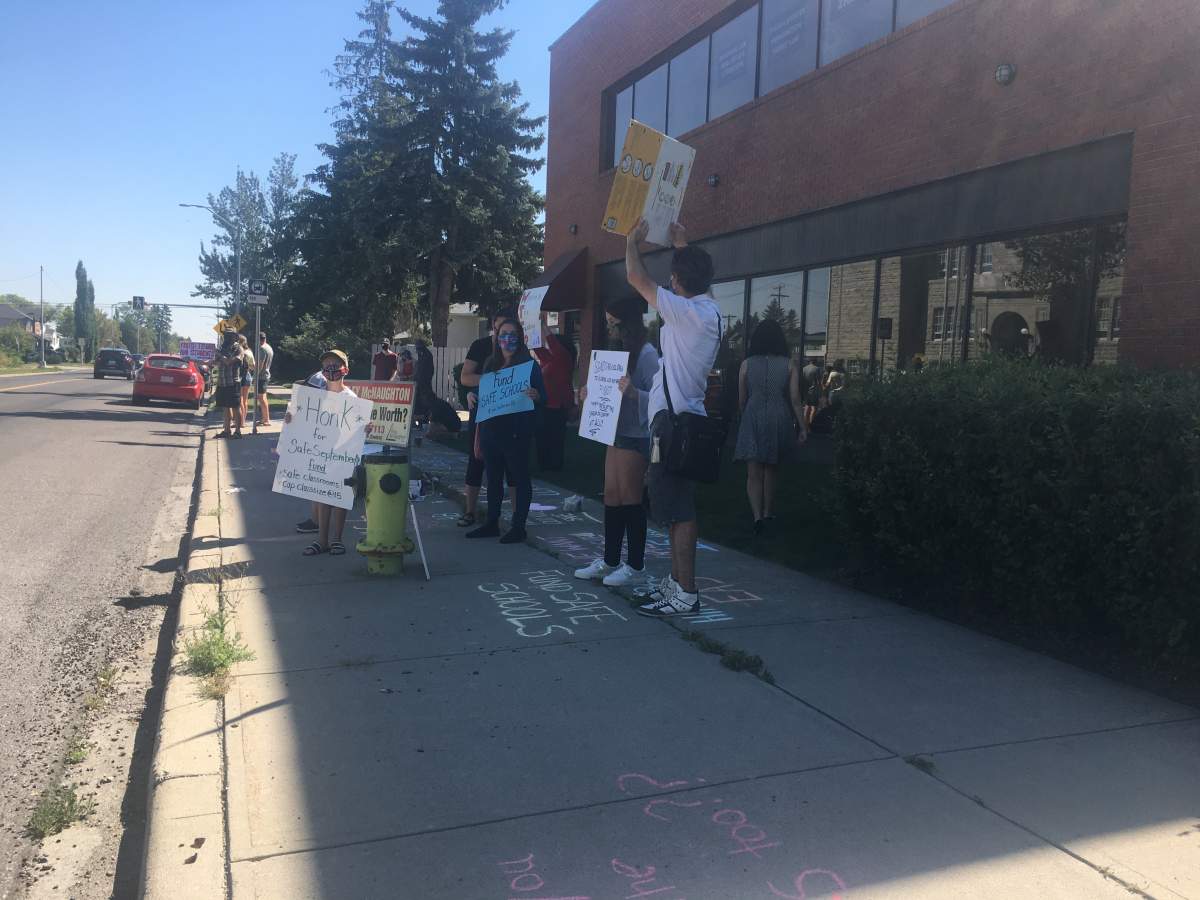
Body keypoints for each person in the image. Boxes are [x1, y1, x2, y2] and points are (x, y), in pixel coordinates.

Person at [623, 218, 720, 617]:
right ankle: (678, 584)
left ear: (679, 282)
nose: (671, 285)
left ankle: (686, 592)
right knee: (675, 509)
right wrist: (681, 244)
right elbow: (695, 279)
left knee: (679, 513)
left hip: (675, 426)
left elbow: (635, 277)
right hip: (681, 421)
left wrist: (632, 243)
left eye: (674, 279)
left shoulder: (687, 313)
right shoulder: (706, 308)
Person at [574, 294, 659, 587]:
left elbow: (659, 397)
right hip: (614, 431)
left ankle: (635, 564)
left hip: (635, 434)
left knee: (630, 498)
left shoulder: (647, 355)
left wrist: (635, 393)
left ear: (629, 325)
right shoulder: (616, 351)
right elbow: (604, 388)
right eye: (607, 323)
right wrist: (588, 394)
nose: (609, 329)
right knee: (611, 495)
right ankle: (610, 559)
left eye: (614, 323)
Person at [465, 319, 546, 543]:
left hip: (517, 431)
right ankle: (492, 522)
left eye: (512, 334)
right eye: (503, 334)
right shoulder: (491, 363)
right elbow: (483, 389)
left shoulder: (529, 366)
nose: (507, 339)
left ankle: (518, 526)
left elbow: (543, 396)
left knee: (519, 479)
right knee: (492, 478)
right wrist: (471, 394)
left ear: (519, 338)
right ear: (497, 337)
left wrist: (536, 396)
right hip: (492, 431)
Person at [735, 319, 807, 534]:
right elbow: (794, 398)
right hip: (778, 414)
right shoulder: (789, 364)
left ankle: (757, 517)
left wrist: (744, 414)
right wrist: (803, 427)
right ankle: (767, 512)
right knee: (771, 467)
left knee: (753, 470)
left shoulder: (746, 364)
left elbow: (741, 399)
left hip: (753, 413)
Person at [289, 350, 360, 557]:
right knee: (321, 495)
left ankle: (336, 539)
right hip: (319, 454)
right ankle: (322, 540)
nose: (330, 369)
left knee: (340, 497)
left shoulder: (350, 397)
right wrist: (290, 421)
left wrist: (365, 428)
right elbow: (301, 420)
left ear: (344, 370)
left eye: (334, 365)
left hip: (341, 455)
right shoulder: (315, 397)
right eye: (326, 365)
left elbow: (356, 425)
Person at [456, 309, 515, 527]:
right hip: (483, 409)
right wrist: (491, 381)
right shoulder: (481, 347)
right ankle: (470, 511)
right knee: (476, 457)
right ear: (493, 325)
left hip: (509, 411)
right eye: (500, 329)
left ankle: (510, 519)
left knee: (509, 463)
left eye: (509, 331)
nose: (504, 335)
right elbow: (465, 377)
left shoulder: (516, 349)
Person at [531, 329, 574, 470]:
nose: (549, 348)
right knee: (542, 435)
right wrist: (528, 327)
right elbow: (535, 346)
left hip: (557, 406)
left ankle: (555, 465)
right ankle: (544, 463)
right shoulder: (548, 359)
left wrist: (542, 325)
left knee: (555, 436)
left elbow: (555, 346)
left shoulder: (564, 358)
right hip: (544, 403)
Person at [214, 331, 245, 438]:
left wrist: (219, 355)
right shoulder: (221, 349)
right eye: (225, 335)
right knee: (225, 407)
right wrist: (196, 360)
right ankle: (226, 430)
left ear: (234, 337)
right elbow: (214, 362)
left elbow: (229, 362)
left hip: (233, 382)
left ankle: (238, 431)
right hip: (222, 382)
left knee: (236, 407)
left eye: (229, 335)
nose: (226, 337)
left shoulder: (238, 349)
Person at [236, 334, 255, 428]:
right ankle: (243, 421)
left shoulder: (241, 352)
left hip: (241, 376)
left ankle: (240, 422)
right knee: (245, 400)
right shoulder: (250, 352)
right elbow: (253, 366)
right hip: (248, 376)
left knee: (240, 400)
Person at [257, 331, 274, 427]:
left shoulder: (262, 349)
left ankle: (266, 419)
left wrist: (255, 376)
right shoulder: (269, 347)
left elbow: (260, 364)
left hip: (262, 376)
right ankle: (264, 418)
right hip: (266, 374)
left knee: (262, 398)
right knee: (263, 397)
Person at [801, 357, 822, 429]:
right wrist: (820, 392)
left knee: (806, 407)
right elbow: (819, 382)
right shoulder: (817, 369)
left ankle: (804, 425)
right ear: (815, 361)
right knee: (814, 408)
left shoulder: (804, 369)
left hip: (806, 391)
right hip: (813, 391)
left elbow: (802, 380)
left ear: (809, 361)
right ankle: (810, 425)